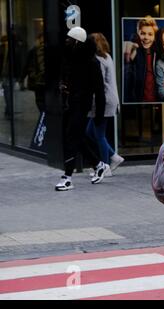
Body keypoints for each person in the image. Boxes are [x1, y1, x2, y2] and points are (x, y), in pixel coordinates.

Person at [55, 26, 108, 191]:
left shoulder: (92, 62)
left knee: (72, 137)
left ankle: (68, 177)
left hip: (81, 104)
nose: (66, 41)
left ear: (77, 41)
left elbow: (99, 91)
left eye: (69, 39)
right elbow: (69, 79)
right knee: (76, 137)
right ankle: (98, 164)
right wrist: (64, 86)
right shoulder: (71, 58)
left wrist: (99, 114)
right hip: (71, 103)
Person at [86, 33, 124, 174]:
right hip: (109, 99)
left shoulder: (98, 60)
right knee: (90, 132)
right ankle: (114, 156)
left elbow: (98, 83)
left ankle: (105, 167)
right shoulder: (107, 56)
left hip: (103, 101)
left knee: (99, 135)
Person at [123, 16, 159, 103]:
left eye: (150, 34)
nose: (146, 37)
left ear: (154, 37)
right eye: (143, 33)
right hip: (137, 101)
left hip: (156, 101)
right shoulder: (134, 51)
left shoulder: (158, 52)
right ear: (138, 34)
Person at [21, 33, 46, 113]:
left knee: (39, 100)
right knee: (44, 100)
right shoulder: (50, 49)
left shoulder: (34, 50)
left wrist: (22, 78)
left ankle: (43, 116)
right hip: (45, 80)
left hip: (37, 80)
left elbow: (26, 65)